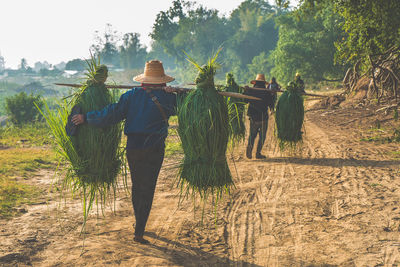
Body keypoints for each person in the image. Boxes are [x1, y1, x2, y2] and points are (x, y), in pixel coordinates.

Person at [72, 60, 176, 244]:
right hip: (155, 148)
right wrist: (176, 92)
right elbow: (187, 105)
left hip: (134, 148)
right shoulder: (168, 98)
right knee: (148, 186)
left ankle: (139, 226)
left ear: (143, 81)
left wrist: (85, 117)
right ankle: (140, 227)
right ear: (162, 81)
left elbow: (111, 114)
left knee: (138, 185)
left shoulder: (131, 96)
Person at [244, 74, 276, 159]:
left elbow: (245, 101)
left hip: (253, 118)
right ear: (264, 83)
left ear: (255, 82)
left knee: (252, 135)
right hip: (263, 118)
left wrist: (246, 91)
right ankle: (258, 153)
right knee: (262, 137)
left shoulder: (251, 91)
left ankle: (250, 150)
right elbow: (271, 104)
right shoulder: (266, 92)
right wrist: (272, 94)